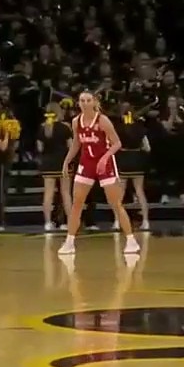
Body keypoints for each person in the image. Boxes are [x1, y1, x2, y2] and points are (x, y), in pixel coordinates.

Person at [58, 91, 140, 257]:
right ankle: (69, 242)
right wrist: (67, 161)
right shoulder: (76, 122)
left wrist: (104, 158)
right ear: (78, 103)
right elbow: (76, 143)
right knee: (77, 204)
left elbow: (117, 143)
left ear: (94, 102)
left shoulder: (102, 120)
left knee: (115, 203)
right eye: (82, 100)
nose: (85, 103)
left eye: (88, 100)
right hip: (86, 163)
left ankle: (131, 240)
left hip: (105, 162)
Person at [112, 99, 151, 231]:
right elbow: (147, 148)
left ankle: (117, 222)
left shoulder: (118, 128)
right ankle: (146, 221)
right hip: (137, 160)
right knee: (140, 191)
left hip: (123, 160)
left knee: (120, 193)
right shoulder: (140, 127)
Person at [37, 102, 73, 231]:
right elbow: (71, 147)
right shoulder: (65, 127)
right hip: (62, 163)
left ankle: (47, 223)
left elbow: (40, 148)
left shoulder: (43, 128)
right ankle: (70, 222)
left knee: (48, 194)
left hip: (48, 163)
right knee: (66, 194)